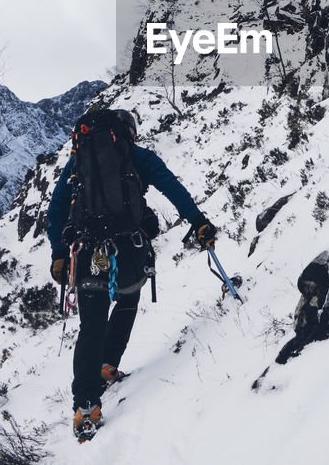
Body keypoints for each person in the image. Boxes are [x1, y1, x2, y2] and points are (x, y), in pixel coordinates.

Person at [47, 108, 216, 441]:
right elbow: (172, 187)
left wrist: (57, 253)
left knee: (91, 325)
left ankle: (85, 406)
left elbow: (56, 208)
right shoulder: (137, 156)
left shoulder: (78, 160)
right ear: (127, 132)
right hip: (127, 249)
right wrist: (198, 221)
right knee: (127, 299)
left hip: (87, 251)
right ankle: (107, 364)